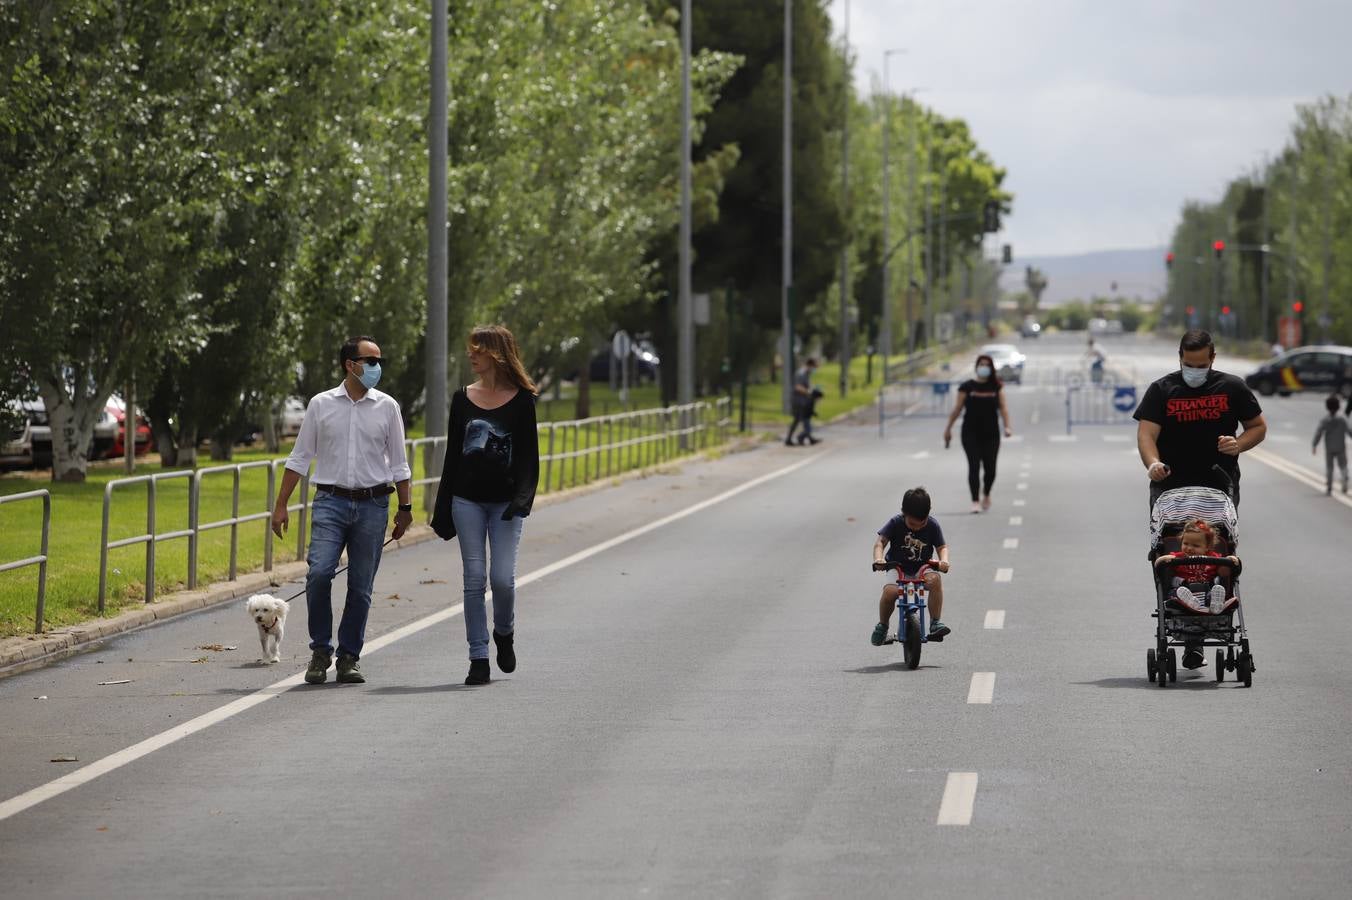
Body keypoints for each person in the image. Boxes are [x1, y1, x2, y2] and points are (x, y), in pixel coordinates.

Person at [272, 336, 413, 685]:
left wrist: (405, 509)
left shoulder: (387, 407)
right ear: (350, 365)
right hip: (330, 502)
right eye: (371, 360)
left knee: (361, 585)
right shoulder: (321, 405)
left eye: (379, 360)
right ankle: (321, 650)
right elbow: (300, 456)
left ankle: (349, 657)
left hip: (374, 504)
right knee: (319, 573)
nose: (377, 367)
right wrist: (280, 505)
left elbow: (399, 463)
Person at [431, 325, 540, 686]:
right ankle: (478, 656)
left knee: (503, 580)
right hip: (467, 501)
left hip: (506, 503)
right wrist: (443, 507)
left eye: (477, 350)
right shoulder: (462, 399)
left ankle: (504, 633)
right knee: (474, 579)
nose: (470, 356)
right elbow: (452, 458)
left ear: (496, 353)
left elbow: (528, 458)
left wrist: (523, 500)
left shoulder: (522, 399)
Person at [1134, 329, 1267, 512]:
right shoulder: (1161, 389)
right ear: (1180, 357)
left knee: (1216, 540)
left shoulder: (1232, 387)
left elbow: (1258, 427)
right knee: (1173, 541)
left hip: (1219, 486)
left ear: (1213, 358)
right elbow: (1146, 435)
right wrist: (1153, 464)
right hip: (1170, 487)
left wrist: (1238, 444)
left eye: (1202, 366)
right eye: (1188, 365)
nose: (1194, 371)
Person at [870, 487, 952, 646]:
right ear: (903, 513)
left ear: (928, 515)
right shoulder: (895, 523)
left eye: (922, 524)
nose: (917, 528)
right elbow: (880, 542)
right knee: (889, 592)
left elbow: (942, 547)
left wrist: (943, 561)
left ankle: (935, 622)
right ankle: (883, 625)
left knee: (935, 580)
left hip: (922, 568)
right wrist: (879, 559)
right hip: (898, 568)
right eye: (912, 524)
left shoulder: (933, 525)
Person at [943, 353, 1013, 513]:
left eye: (987, 365)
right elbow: (957, 409)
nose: (984, 367)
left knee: (991, 469)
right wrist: (948, 429)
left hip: (991, 434)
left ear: (991, 368)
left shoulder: (996, 386)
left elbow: (1003, 408)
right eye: (981, 364)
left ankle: (986, 493)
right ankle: (975, 500)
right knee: (973, 466)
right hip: (970, 433)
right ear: (976, 367)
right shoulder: (967, 387)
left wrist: (1007, 427)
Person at [1153, 519, 1238, 614]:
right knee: (1175, 592)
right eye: (1185, 543)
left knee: (1216, 587)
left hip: (1206, 589)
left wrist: (1230, 560)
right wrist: (1164, 558)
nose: (1189, 548)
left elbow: (1224, 572)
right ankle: (1190, 603)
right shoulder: (1177, 557)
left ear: (1207, 547)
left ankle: (1215, 603)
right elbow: (1159, 565)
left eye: (1195, 545)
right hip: (1184, 589)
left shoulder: (1214, 557)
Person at [1312, 394, 1350, 495]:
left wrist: (1314, 445)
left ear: (1327, 406)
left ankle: (1329, 487)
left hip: (1329, 447)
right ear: (1338, 406)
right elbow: (1349, 431)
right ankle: (1344, 480)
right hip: (1340, 446)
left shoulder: (1325, 420)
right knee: (1343, 465)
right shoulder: (1342, 419)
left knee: (1330, 467)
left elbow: (1318, 433)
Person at [785, 357, 821, 446]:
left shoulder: (806, 373)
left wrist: (813, 391)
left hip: (803, 400)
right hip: (798, 401)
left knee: (799, 419)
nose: (815, 369)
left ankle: (791, 439)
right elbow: (797, 387)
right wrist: (809, 392)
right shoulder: (801, 373)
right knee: (804, 419)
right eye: (814, 367)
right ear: (810, 365)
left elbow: (807, 386)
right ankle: (801, 437)